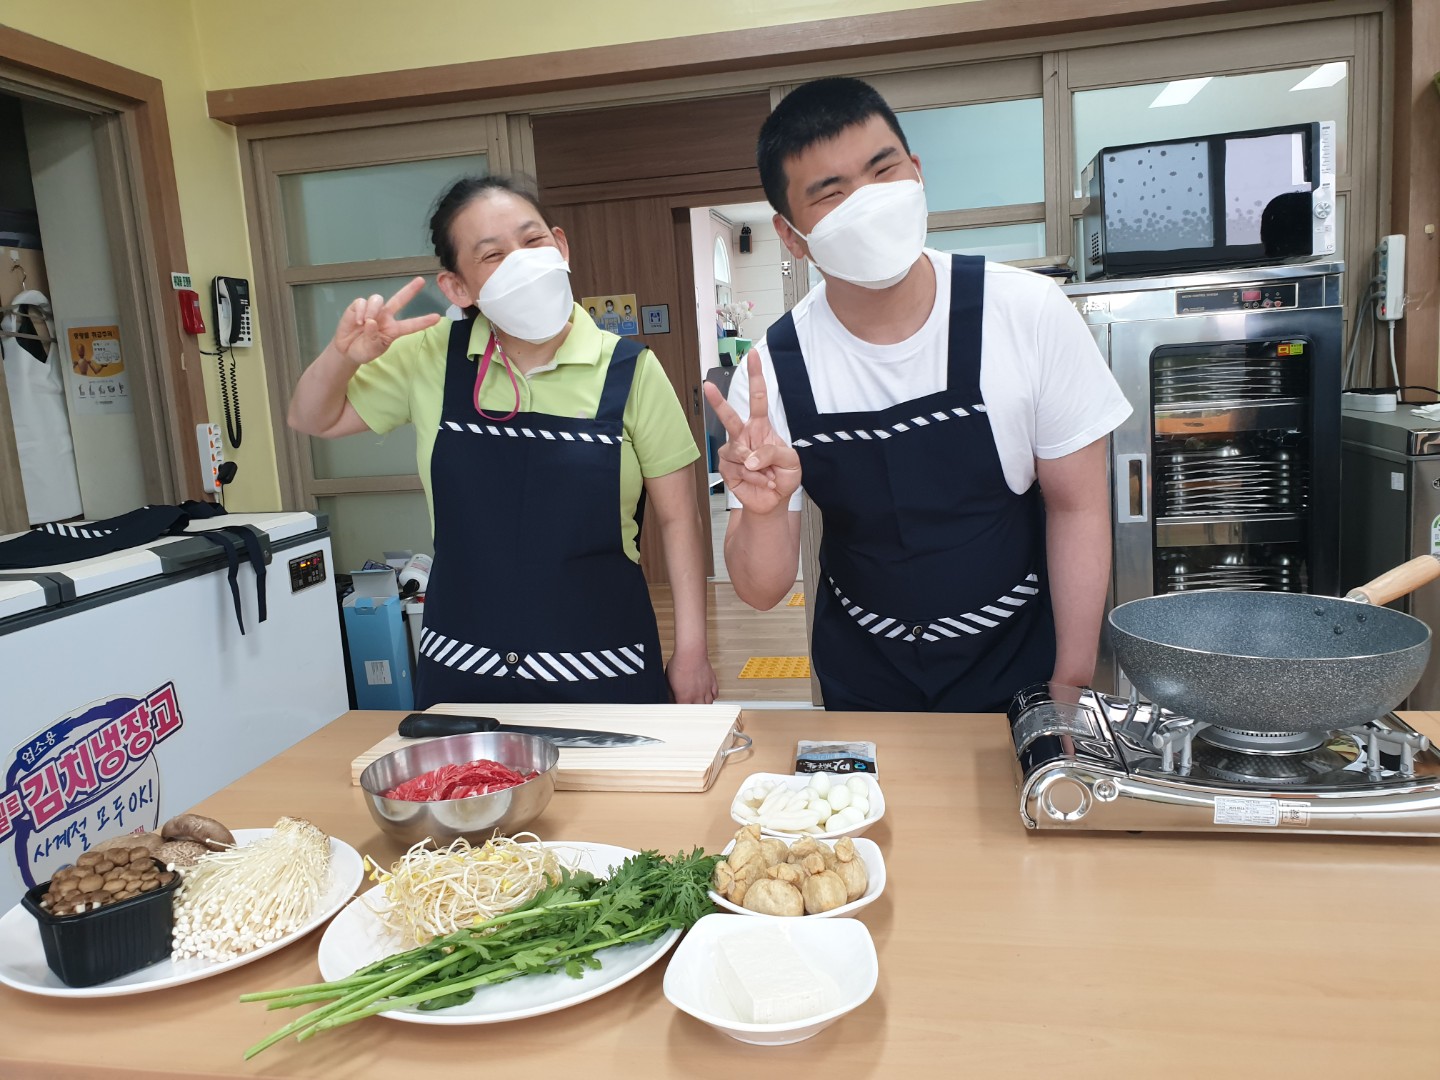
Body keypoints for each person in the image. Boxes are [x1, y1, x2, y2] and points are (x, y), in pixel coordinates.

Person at [704, 78, 1132, 712]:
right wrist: (763, 512)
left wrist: (1070, 681)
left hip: (1020, 666)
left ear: (918, 172)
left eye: (884, 171)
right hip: (864, 673)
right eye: (832, 193)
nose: (869, 203)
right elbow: (762, 592)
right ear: (791, 236)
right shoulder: (773, 371)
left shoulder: (1026, 311)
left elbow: (1077, 509)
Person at [291, 175, 717, 707]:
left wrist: (692, 650)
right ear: (457, 288)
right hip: (463, 667)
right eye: (492, 254)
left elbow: (679, 519)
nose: (522, 262)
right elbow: (313, 417)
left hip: (603, 662)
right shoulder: (431, 355)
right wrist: (342, 357)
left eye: (533, 240)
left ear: (560, 246)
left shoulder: (630, 370)